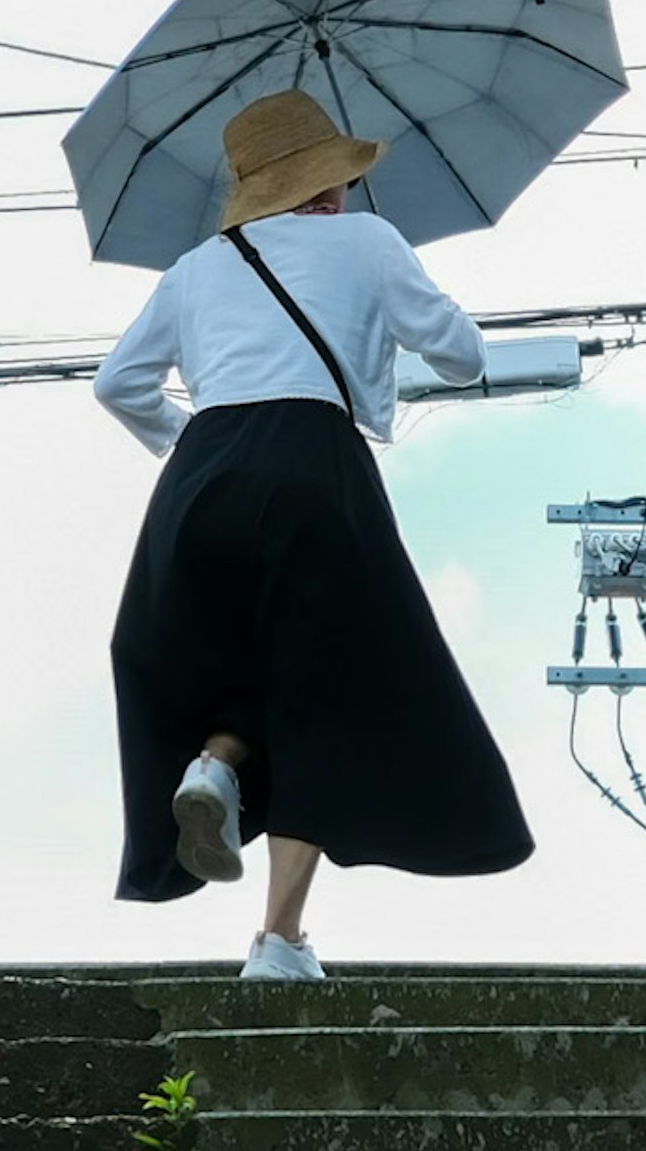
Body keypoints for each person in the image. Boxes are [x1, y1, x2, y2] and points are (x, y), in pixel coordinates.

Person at [93, 88, 535, 978]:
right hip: (314, 467)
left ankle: (216, 762)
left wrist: (197, 448)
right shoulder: (368, 242)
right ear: (330, 184)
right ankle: (279, 941)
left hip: (198, 478)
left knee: (247, 658)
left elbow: (116, 384)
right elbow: (464, 353)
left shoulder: (193, 270)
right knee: (325, 693)